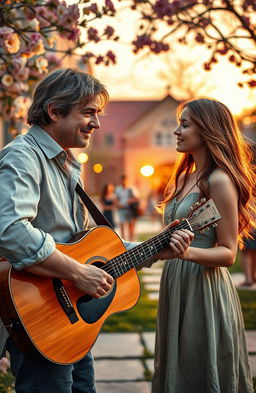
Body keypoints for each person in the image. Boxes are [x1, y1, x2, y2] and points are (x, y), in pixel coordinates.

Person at [0, 68, 193, 393]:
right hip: (38, 316)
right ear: (54, 111)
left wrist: (153, 249)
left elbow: (91, 245)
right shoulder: (23, 159)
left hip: (72, 325)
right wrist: (79, 273)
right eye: (89, 112)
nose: (98, 123)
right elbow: (11, 232)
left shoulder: (65, 164)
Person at [152, 98, 256, 393]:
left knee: (200, 366)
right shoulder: (183, 177)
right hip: (175, 281)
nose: (176, 130)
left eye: (185, 124)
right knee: (176, 364)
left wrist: (186, 253)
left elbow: (227, 252)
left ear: (208, 130)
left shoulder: (219, 180)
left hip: (204, 286)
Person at [115, 174, 140, 241]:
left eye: (125, 180)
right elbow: (116, 199)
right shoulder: (118, 189)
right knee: (122, 226)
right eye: (122, 180)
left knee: (130, 226)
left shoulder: (131, 188)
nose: (124, 182)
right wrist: (118, 205)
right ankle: (124, 241)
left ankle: (131, 240)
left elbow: (137, 199)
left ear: (127, 180)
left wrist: (130, 201)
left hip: (129, 209)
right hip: (121, 209)